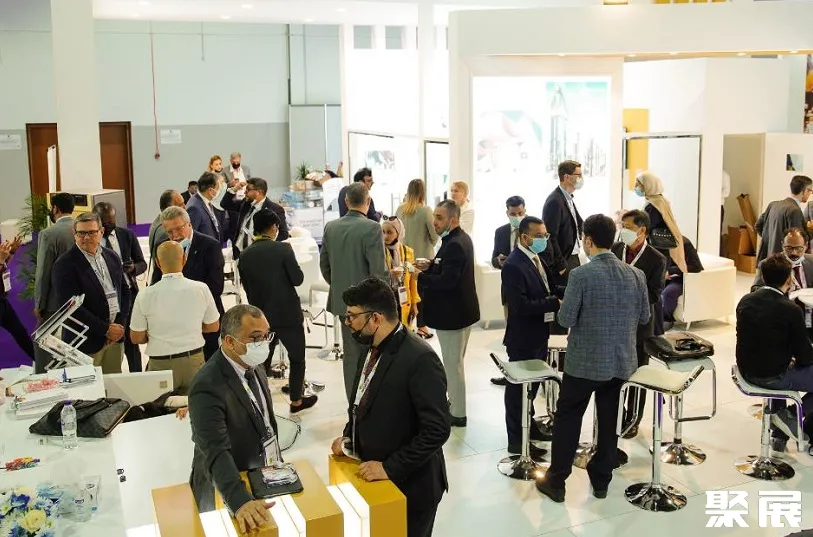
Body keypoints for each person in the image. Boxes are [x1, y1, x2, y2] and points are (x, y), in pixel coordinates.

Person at [536, 214, 649, 503]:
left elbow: (566, 319)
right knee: (609, 421)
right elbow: (644, 317)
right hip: (621, 362)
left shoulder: (581, 275)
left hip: (584, 363)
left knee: (569, 417)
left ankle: (557, 481)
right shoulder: (636, 275)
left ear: (588, 241)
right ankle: (601, 481)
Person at [330, 278, 450, 537]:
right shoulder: (370, 346)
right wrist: (350, 438)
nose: (348, 323)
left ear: (375, 318)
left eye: (352, 316)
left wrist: (389, 467)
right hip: (377, 481)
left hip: (411, 486)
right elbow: (363, 401)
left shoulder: (420, 359)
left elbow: (437, 430)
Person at [189, 305, 278, 534]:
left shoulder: (254, 365)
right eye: (255, 337)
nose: (263, 343)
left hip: (258, 474)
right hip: (225, 486)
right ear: (229, 341)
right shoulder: (206, 385)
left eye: (266, 335)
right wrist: (239, 501)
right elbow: (215, 449)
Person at [239, 209, 318, 413]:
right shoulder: (283, 249)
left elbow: (246, 288)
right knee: (297, 358)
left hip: (260, 317)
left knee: (261, 361)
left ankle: (260, 401)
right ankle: (296, 401)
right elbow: (297, 279)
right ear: (274, 227)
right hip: (288, 314)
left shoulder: (245, 255)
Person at [737, 254, 813, 452]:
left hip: (745, 371)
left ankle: (779, 435)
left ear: (763, 276)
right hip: (771, 376)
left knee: (781, 363)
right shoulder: (791, 309)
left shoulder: (746, 300)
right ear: (789, 279)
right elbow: (805, 356)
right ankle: (790, 416)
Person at [320, 182, 389, 400]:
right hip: (370, 306)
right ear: (368, 201)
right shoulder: (372, 228)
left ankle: (353, 404)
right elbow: (378, 272)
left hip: (344, 304)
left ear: (346, 201)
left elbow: (325, 267)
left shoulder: (331, 228)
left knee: (351, 356)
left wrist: (341, 286)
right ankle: (370, 402)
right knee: (373, 354)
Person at [415, 200, 479, 427]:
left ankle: (458, 413)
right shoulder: (456, 239)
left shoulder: (455, 244)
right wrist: (431, 265)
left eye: (440, 218)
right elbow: (448, 268)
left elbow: (447, 281)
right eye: (435, 216)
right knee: (455, 364)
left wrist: (419, 277)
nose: (435, 222)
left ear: (454, 220)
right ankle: (454, 405)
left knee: (453, 366)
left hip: (453, 315)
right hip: (461, 312)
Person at [501, 216, 562, 455]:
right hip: (523, 337)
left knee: (533, 388)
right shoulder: (514, 265)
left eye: (545, 235)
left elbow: (549, 288)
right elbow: (521, 305)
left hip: (539, 333)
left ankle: (530, 427)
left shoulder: (537, 258)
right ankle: (517, 440)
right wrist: (553, 303)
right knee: (519, 391)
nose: (543, 239)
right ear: (524, 237)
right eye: (539, 236)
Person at [129, 241, 220, 394]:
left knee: (159, 406)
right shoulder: (201, 288)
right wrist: (192, 328)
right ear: (184, 259)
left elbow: (136, 337)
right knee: (195, 405)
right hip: (193, 361)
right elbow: (213, 326)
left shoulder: (145, 295)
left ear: (157, 263)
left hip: (160, 364)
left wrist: (154, 334)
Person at [611, 210, 668, 438]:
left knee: (638, 371)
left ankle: (634, 418)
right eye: (621, 226)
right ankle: (617, 413)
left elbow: (654, 295)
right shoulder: (616, 249)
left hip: (640, 325)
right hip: (614, 323)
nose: (622, 230)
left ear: (642, 230)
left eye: (627, 227)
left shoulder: (656, 259)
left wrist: (625, 294)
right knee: (615, 372)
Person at [52, 212, 130, 374]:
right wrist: (105, 329)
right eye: (81, 233)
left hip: (115, 340)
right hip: (86, 343)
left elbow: (124, 292)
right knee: (88, 388)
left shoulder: (112, 257)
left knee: (114, 385)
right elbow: (70, 307)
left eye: (92, 232)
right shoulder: (64, 264)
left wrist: (119, 325)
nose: (86, 237)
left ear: (101, 232)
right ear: (74, 233)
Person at [153, 206, 225, 360]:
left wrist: (188, 310)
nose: (175, 235)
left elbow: (216, 286)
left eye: (179, 229)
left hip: (204, 319)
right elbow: (156, 283)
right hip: (174, 324)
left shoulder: (210, 246)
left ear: (189, 224)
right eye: (169, 232)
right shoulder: (162, 247)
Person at [94, 202, 147, 373]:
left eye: (112, 221)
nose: (109, 225)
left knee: (131, 342)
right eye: (105, 222)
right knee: (108, 342)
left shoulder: (127, 235)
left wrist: (133, 268)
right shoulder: (92, 240)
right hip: (103, 299)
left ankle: (137, 377)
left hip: (127, 295)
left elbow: (142, 263)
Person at [33, 192, 75, 372]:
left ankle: (44, 379)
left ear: (55, 208)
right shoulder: (84, 228)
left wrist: (39, 303)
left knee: (42, 342)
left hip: (55, 302)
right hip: (81, 299)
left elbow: (43, 271)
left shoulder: (49, 234)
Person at [396, 178, 438, 340]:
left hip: (404, 258)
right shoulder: (426, 210)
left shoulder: (400, 210)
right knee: (421, 294)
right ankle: (422, 326)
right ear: (423, 192)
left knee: (406, 293)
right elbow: (434, 235)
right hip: (422, 260)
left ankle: (406, 325)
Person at [634, 171, 688, 275]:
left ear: (648, 185)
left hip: (659, 248)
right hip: (660, 248)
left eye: (638, 184)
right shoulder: (659, 201)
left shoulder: (654, 205)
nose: (635, 187)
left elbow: (648, 226)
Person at [221, 177, 289, 257]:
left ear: (258, 192)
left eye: (248, 190)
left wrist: (264, 243)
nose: (245, 193)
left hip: (259, 253)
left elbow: (283, 234)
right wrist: (235, 189)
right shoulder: (245, 203)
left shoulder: (274, 209)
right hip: (239, 252)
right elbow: (225, 204)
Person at [755, 175, 813, 263]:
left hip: (767, 259)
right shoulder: (795, 210)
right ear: (805, 191)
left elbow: (758, 226)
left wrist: (771, 241)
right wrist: (811, 229)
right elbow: (798, 241)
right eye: (810, 191)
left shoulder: (773, 205)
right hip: (783, 262)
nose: (810, 195)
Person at [543, 160, 584, 280]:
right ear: (566, 177)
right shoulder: (555, 201)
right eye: (578, 175)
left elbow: (578, 223)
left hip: (573, 256)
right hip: (565, 260)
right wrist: (560, 265)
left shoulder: (568, 198)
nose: (581, 178)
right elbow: (550, 235)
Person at [382, 216, 420, 328]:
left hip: (403, 298)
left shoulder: (408, 252)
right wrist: (389, 274)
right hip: (386, 298)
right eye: (383, 232)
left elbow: (413, 279)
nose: (385, 236)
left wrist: (414, 304)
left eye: (389, 232)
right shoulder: (379, 251)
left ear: (398, 233)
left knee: (403, 330)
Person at [0, 238, 34, 360]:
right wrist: (0, 261)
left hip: (2, 301)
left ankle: (42, 364)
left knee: (20, 333)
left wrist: (11, 253)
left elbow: (3, 266)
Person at [661, 236, 704, 329]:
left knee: (668, 292)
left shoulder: (685, 244)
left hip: (681, 279)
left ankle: (667, 319)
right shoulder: (657, 242)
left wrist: (671, 271)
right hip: (663, 277)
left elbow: (696, 267)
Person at [148, 190, 185, 275]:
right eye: (180, 205)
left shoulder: (158, 221)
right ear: (170, 208)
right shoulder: (166, 231)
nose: (184, 207)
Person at [186, 172, 225, 242]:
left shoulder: (206, 201)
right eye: (218, 188)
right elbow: (191, 237)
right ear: (210, 190)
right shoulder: (194, 208)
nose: (219, 191)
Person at [491, 196, 526, 270]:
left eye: (520, 213)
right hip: (508, 274)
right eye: (513, 214)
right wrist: (498, 261)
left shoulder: (534, 230)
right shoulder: (500, 232)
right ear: (507, 213)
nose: (517, 217)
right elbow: (494, 259)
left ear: (525, 211)